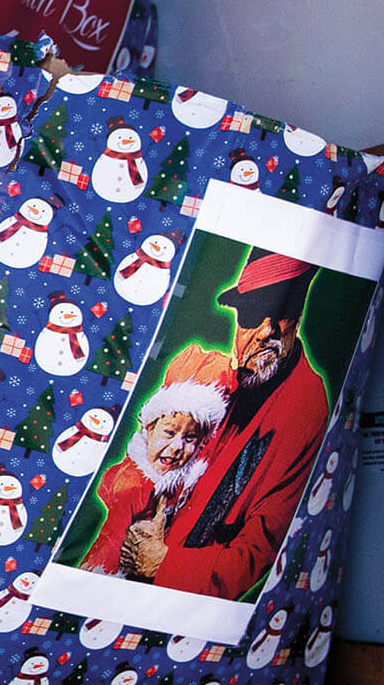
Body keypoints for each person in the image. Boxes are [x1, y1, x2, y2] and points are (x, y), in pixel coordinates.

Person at [132, 252, 332, 598]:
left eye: (282, 311)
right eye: (254, 311)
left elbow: (262, 546)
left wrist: (165, 563)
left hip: (182, 594)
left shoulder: (304, 404)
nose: (266, 330)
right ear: (238, 322)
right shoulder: (208, 378)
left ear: (296, 318)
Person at [79, 343, 230, 576]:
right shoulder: (135, 483)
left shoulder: (185, 479)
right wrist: (100, 574)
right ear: (149, 428)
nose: (177, 447)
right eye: (169, 433)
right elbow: (111, 538)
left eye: (190, 438)